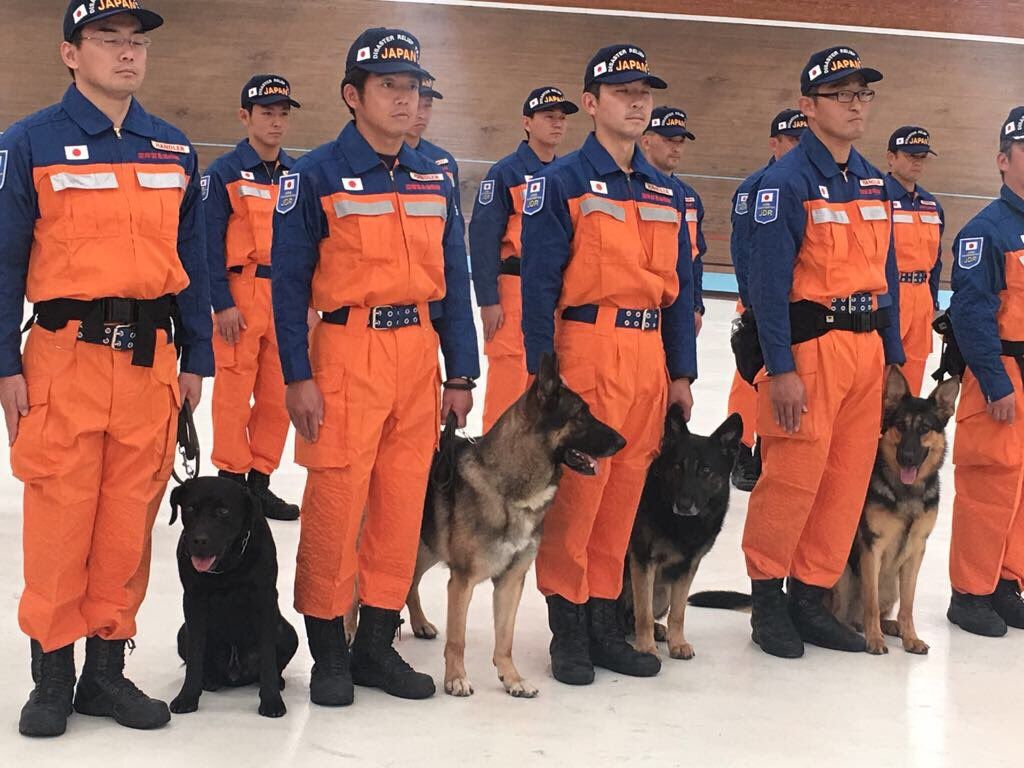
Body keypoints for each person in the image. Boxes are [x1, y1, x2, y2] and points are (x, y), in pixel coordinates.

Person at [0, 0, 213, 736]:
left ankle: (104, 674)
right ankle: (51, 678)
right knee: (61, 522)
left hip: (151, 368)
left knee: (128, 525)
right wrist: (3, 361)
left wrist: (198, 356)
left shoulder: (174, 149)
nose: (126, 54)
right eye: (106, 40)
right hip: (63, 361)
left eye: (135, 43)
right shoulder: (29, 143)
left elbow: (194, 262)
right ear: (70, 54)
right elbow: (2, 259)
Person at [270, 27, 479, 705]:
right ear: (351, 96)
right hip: (345, 355)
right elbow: (289, 287)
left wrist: (460, 373)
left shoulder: (433, 177)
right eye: (388, 85)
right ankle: (329, 650)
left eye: (412, 86)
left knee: (398, 507)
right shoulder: (314, 175)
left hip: (417, 355)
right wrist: (297, 375)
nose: (404, 97)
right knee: (335, 503)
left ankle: (374, 647)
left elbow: (453, 278)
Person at [521, 43, 696, 685]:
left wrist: (680, 373)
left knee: (623, 495)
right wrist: (544, 383)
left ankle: (603, 620)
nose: (637, 100)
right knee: (579, 495)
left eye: (644, 90)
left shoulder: (666, 191)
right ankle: (566, 627)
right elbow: (537, 288)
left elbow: (680, 290)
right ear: (591, 104)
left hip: (647, 358)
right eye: (623, 91)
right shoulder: (560, 182)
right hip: (585, 353)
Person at [742, 46, 905, 659]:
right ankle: (767, 600)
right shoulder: (785, 184)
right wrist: (779, 368)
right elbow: (766, 287)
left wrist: (892, 354)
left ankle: (810, 598)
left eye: (863, 94)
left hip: (866, 353)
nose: (856, 105)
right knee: (792, 477)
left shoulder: (872, 180)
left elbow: (884, 267)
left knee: (844, 478)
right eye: (842, 95)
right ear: (808, 107)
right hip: (810, 351)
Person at [204, 74, 302, 520]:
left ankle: (260, 481)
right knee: (233, 390)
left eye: (283, 113)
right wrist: (221, 300)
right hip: (241, 293)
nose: (276, 122)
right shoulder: (224, 173)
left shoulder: (297, 174)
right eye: (267, 112)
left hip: (285, 295)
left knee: (278, 391)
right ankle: (230, 482)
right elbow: (206, 240)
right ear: (245, 116)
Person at [946, 106, 1024, 638]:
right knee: (989, 482)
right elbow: (971, 314)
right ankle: (969, 593)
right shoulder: (985, 232)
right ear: (1003, 160)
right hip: (1002, 372)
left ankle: (1006, 582)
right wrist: (995, 382)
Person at [469, 86, 578, 430]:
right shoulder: (506, 174)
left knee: (546, 388)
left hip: (553, 294)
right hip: (514, 292)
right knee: (509, 390)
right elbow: (483, 236)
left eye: (562, 118)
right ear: (526, 123)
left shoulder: (567, 177)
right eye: (549, 117)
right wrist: (488, 299)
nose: (557, 124)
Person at [727, 109, 808, 491]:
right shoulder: (753, 188)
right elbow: (743, 248)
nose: (798, 147)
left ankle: (768, 447)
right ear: (774, 143)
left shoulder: (809, 182)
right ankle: (741, 448)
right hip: (761, 304)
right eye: (791, 139)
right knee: (751, 381)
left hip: (801, 307)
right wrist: (752, 305)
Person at [885, 126, 944, 396]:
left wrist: (932, 301)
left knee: (913, 378)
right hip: (889, 295)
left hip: (920, 301)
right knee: (881, 377)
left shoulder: (931, 205)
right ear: (891, 158)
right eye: (910, 155)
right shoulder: (878, 199)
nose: (917, 162)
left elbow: (937, 260)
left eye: (921, 156)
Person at [638, 106, 707, 335]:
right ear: (646, 141)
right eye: (669, 140)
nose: (676, 148)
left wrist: (696, 305)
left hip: (678, 308)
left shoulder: (689, 198)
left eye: (680, 141)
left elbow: (694, 258)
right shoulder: (629, 188)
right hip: (640, 305)